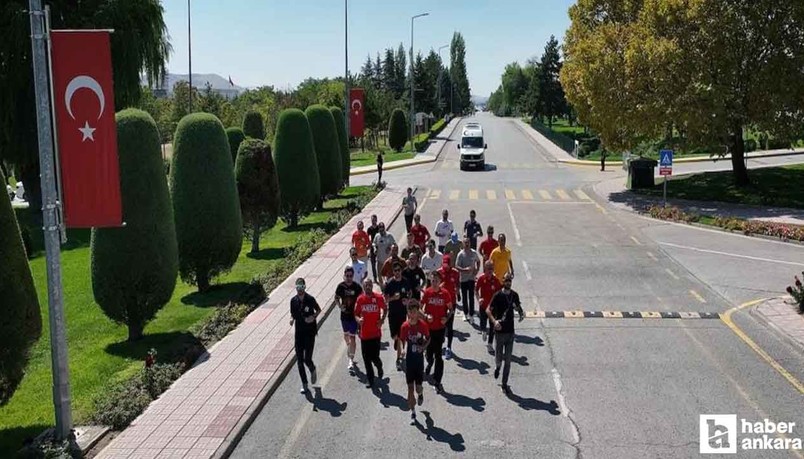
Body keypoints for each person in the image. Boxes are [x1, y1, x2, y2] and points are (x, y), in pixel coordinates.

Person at [486, 273, 524, 393]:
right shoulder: (497, 295)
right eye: (506, 280)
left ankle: (504, 384)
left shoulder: (514, 295)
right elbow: (488, 310)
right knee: (499, 358)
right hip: (500, 332)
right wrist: (494, 321)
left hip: (510, 332)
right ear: (503, 281)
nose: (508, 282)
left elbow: (518, 306)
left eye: (510, 281)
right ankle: (497, 367)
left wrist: (521, 313)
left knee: (508, 361)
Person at [422, 270, 452, 394]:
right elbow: (420, 308)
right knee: (429, 353)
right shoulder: (427, 292)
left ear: (440, 282)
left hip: (440, 329)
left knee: (438, 355)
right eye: (432, 280)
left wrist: (446, 318)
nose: (434, 283)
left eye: (436, 281)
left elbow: (450, 309)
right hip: (428, 329)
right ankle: (429, 362)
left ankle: (437, 381)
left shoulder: (445, 293)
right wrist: (425, 316)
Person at [399, 301, 430, 421]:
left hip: (419, 362)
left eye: (415, 312)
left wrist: (423, 347)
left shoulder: (423, 325)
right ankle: (413, 412)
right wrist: (402, 350)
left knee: (418, 388)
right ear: (408, 312)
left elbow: (428, 339)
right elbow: (401, 340)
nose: (412, 314)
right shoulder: (404, 326)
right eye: (410, 312)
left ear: (418, 312)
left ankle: (421, 394)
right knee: (410, 388)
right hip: (409, 362)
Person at [289, 278, 320, 394]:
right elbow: (292, 314)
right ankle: (304, 383)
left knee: (307, 359)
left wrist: (313, 317)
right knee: (299, 360)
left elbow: (318, 310)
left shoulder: (310, 299)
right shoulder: (293, 301)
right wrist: (291, 319)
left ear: (305, 287)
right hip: (299, 333)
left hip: (309, 332)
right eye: (298, 287)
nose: (300, 289)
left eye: (301, 287)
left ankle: (312, 369)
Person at [354, 278, 387, 388]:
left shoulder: (378, 298)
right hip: (364, 334)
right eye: (365, 285)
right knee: (366, 358)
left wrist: (382, 320)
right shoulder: (360, 299)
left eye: (369, 285)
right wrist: (358, 320)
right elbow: (356, 314)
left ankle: (379, 366)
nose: (367, 287)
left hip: (376, 334)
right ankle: (370, 379)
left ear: (372, 286)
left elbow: (385, 308)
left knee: (375, 357)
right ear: (363, 286)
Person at [383, 262, 412, 371]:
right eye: (395, 271)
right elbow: (385, 299)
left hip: (402, 313)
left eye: (399, 270)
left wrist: (407, 300)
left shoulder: (405, 281)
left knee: (400, 336)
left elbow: (410, 292)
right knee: (394, 336)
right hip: (392, 313)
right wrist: (393, 298)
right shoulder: (390, 283)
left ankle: (398, 359)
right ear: (393, 272)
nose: (397, 272)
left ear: (401, 271)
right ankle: (396, 340)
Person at [335, 267, 363, 374]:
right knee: (346, 335)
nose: (349, 278)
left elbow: (362, 299)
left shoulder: (357, 287)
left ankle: (351, 360)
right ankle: (349, 346)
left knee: (352, 338)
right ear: (344, 275)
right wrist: (339, 306)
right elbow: (336, 297)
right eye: (347, 276)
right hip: (344, 316)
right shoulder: (340, 286)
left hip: (353, 316)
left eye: (351, 276)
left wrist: (360, 312)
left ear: (353, 276)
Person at [436, 255, 460, 359]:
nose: (445, 266)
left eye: (447, 264)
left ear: (450, 264)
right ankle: (440, 341)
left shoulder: (455, 272)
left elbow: (457, 284)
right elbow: (433, 285)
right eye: (444, 264)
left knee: (450, 325)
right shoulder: (438, 272)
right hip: (441, 302)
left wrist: (458, 293)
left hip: (452, 302)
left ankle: (449, 347)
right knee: (440, 323)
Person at [475, 261, 502, 353]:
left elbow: (499, 292)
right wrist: (479, 299)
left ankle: (490, 344)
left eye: (492, 268)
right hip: (483, 306)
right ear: (485, 269)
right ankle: (483, 331)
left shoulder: (496, 280)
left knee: (492, 326)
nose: (490, 270)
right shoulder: (481, 278)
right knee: (483, 323)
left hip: (492, 308)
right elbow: (476, 290)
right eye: (488, 268)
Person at [455, 236, 481, 324]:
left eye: (468, 243)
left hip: (471, 278)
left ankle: (471, 314)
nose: (467, 244)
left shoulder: (474, 253)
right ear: (463, 244)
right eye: (465, 243)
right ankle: (465, 313)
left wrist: (477, 270)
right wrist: (464, 270)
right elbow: (456, 266)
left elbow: (478, 261)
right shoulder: (460, 254)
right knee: (464, 297)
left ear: (470, 243)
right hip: (463, 279)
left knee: (471, 297)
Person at [367, 215, 380, 281]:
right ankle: (375, 277)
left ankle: (380, 276)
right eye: (372, 220)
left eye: (374, 220)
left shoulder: (379, 228)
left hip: (379, 247)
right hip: (372, 247)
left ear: (376, 220)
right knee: (373, 263)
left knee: (380, 262)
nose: (373, 221)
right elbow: (367, 238)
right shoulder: (369, 229)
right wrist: (369, 246)